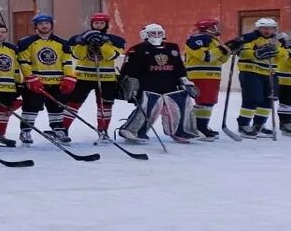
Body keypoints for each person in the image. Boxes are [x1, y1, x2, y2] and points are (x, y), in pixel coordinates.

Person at [117, 23, 198, 143]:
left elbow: (180, 68)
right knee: (147, 109)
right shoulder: (137, 50)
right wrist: (129, 85)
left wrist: (185, 80)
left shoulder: (172, 48)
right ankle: (133, 130)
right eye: (152, 33)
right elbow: (128, 71)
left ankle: (182, 131)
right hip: (148, 88)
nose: (156, 36)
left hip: (171, 86)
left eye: (159, 33)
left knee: (182, 106)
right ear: (145, 34)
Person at [64, 13, 125, 142]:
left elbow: (111, 56)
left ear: (106, 24)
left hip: (106, 78)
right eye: (96, 23)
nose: (98, 26)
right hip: (83, 76)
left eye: (102, 23)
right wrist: (83, 43)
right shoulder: (80, 38)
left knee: (105, 105)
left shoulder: (114, 40)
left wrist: (103, 44)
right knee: (73, 103)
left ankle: (103, 131)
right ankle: (63, 130)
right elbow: (77, 56)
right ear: (91, 24)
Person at [16, 13, 75, 145]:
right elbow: (24, 62)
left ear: (51, 25)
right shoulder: (26, 42)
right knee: (31, 107)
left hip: (56, 82)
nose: (44, 26)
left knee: (57, 107)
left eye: (47, 23)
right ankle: (25, 131)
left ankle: (58, 129)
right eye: (41, 24)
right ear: (36, 26)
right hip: (36, 83)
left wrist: (69, 78)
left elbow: (67, 62)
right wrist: (30, 78)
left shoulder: (62, 43)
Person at [226, 18, 287, 138]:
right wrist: (257, 53)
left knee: (268, 100)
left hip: (270, 73)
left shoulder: (279, 40)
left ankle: (259, 125)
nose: (267, 30)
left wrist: (275, 50)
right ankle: (244, 125)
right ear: (259, 28)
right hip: (251, 72)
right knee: (253, 99)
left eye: (270, 28)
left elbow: (284, 55)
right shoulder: (250, 37)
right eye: (264, 28)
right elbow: (243, 52)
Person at [182, 17, 231, 141]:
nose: (217, 28)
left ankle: (202, 126)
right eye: (214, 26)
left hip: (212, 76)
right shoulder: (197, 40)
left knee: (209, 102)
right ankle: (194, 127)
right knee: (203, 102)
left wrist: (228, 51)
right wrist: (220, 50)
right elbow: (206, 57)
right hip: (200, 76)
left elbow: (220, 60)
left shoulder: (214, 40)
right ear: (207, 28)